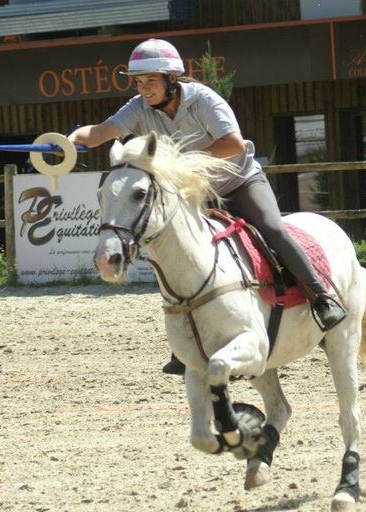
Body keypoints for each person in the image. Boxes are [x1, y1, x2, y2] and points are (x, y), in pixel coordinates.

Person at [67, 38, 346, 375]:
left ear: (172, 79)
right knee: (178, 251)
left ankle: (322, 298)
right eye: (139, 82)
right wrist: (68, 142)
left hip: (238, 181)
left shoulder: (203, 100)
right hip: (197, 192)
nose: (143, 89)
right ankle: (181, 346)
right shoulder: (138, 107)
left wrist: (182, 161)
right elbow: (98, 133)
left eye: (150, 81)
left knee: (272, 229)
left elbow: (233, 144)